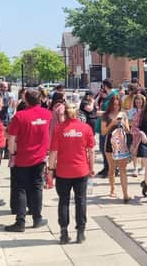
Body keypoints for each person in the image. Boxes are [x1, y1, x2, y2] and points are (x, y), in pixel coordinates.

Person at [5, 88, 52, 232]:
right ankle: (37, 218)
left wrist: (12, 155)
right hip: (40, 157)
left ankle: (20, 222)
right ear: (40, 99)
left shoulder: (20, 116)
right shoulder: (47, 114)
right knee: (36, 187)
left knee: (21, 189)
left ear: (25, 100)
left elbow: (11, 138)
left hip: (23, 158)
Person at [48, 102, 95, 245]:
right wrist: (91, 168)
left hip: (63, 171)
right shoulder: (86, 128)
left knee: (63, 201)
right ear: (77, 113)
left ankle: (64, 232)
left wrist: (50, 170)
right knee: (81, 200)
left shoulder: (59, 129)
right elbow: (91, 151)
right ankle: (80, 232)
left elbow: (53, 152)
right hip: (81, 170)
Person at [101, 96, 131, 202]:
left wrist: (123, 123)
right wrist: (111, 124)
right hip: (110, 143)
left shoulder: (123, 114)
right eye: (114, 104)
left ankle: (125, 194)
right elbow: (103, 132)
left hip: (121, 143)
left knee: (123, 169)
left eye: (118, 104)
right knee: (112, 168)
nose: (116, 106)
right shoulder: (106, 115)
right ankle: (113, 188)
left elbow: (128, 131)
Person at [95, 79, 119, 178]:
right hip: (103, 124)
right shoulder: (107, 96)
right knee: (103, 147)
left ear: (105, 86)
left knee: (107, 148)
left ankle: (112, 168)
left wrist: (103, 113)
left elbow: (114, 111)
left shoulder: (114, 96)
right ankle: (106, 167)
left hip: (109, 125)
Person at [128, 93, 145, 177]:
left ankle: (142, 167)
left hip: (143, 133)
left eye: (140, 100)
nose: (138, 102)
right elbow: (129, 121)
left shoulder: (145, 111)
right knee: (134, 151)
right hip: (134, 132)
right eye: (136, 100)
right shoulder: (132, 110)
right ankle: (135, 168)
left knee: (142, 151)